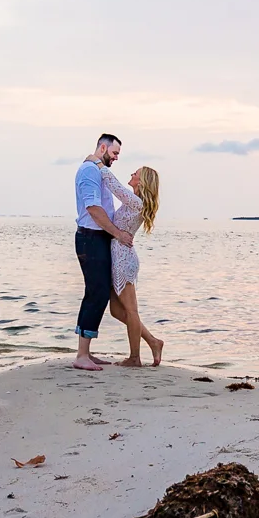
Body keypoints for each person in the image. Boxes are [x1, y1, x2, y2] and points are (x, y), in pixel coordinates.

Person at [72, 134, 136, 372]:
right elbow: (94, 208)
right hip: (90, 238)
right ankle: (81, 355)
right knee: (96, 293)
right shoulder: (89, 171)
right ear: (103, 147)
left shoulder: (98, 170)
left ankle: (86, 352)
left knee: (97, 293)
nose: (116, 158)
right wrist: (118, 234)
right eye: (115, 153)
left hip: (97, 238)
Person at [104, 166, 163, 366]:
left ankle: (135, 357)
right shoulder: (136, 202)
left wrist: (99, 165)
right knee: (116, 311)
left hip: (123, 260)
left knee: (131, 311)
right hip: (118, 257)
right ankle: (153, 342)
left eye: (135, 174)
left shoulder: (136, 202)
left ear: (142, 181)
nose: (131, 175)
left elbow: (115, 186)